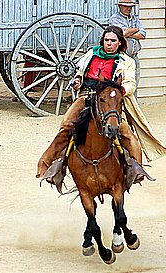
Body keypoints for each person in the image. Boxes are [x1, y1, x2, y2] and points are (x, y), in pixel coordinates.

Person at [36, 25, 166, 188]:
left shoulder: (127, 62)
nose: (109, 44)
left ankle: (136, 168)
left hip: (109, 101)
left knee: (125, 132)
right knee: (66, 126)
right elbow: (79, 71)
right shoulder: (91, 54)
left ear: (120, 43)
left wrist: (118, 92)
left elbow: (130, 83)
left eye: (113, 41)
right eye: (106, 40)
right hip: (86, 96)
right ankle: (50, 166)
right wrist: (77, 81)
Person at [109, 0, 146, 98]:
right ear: (120, 6)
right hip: (121, 58)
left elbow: (142, 35)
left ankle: (133, 108)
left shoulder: (135, 19)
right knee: (120, 83)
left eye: (130, 7)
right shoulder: (114, 19)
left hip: (134, 57)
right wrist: (135, 29)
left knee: (134, 84)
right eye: (125, 6)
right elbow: (121, 34)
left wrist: (128, 32)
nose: (128, 9)